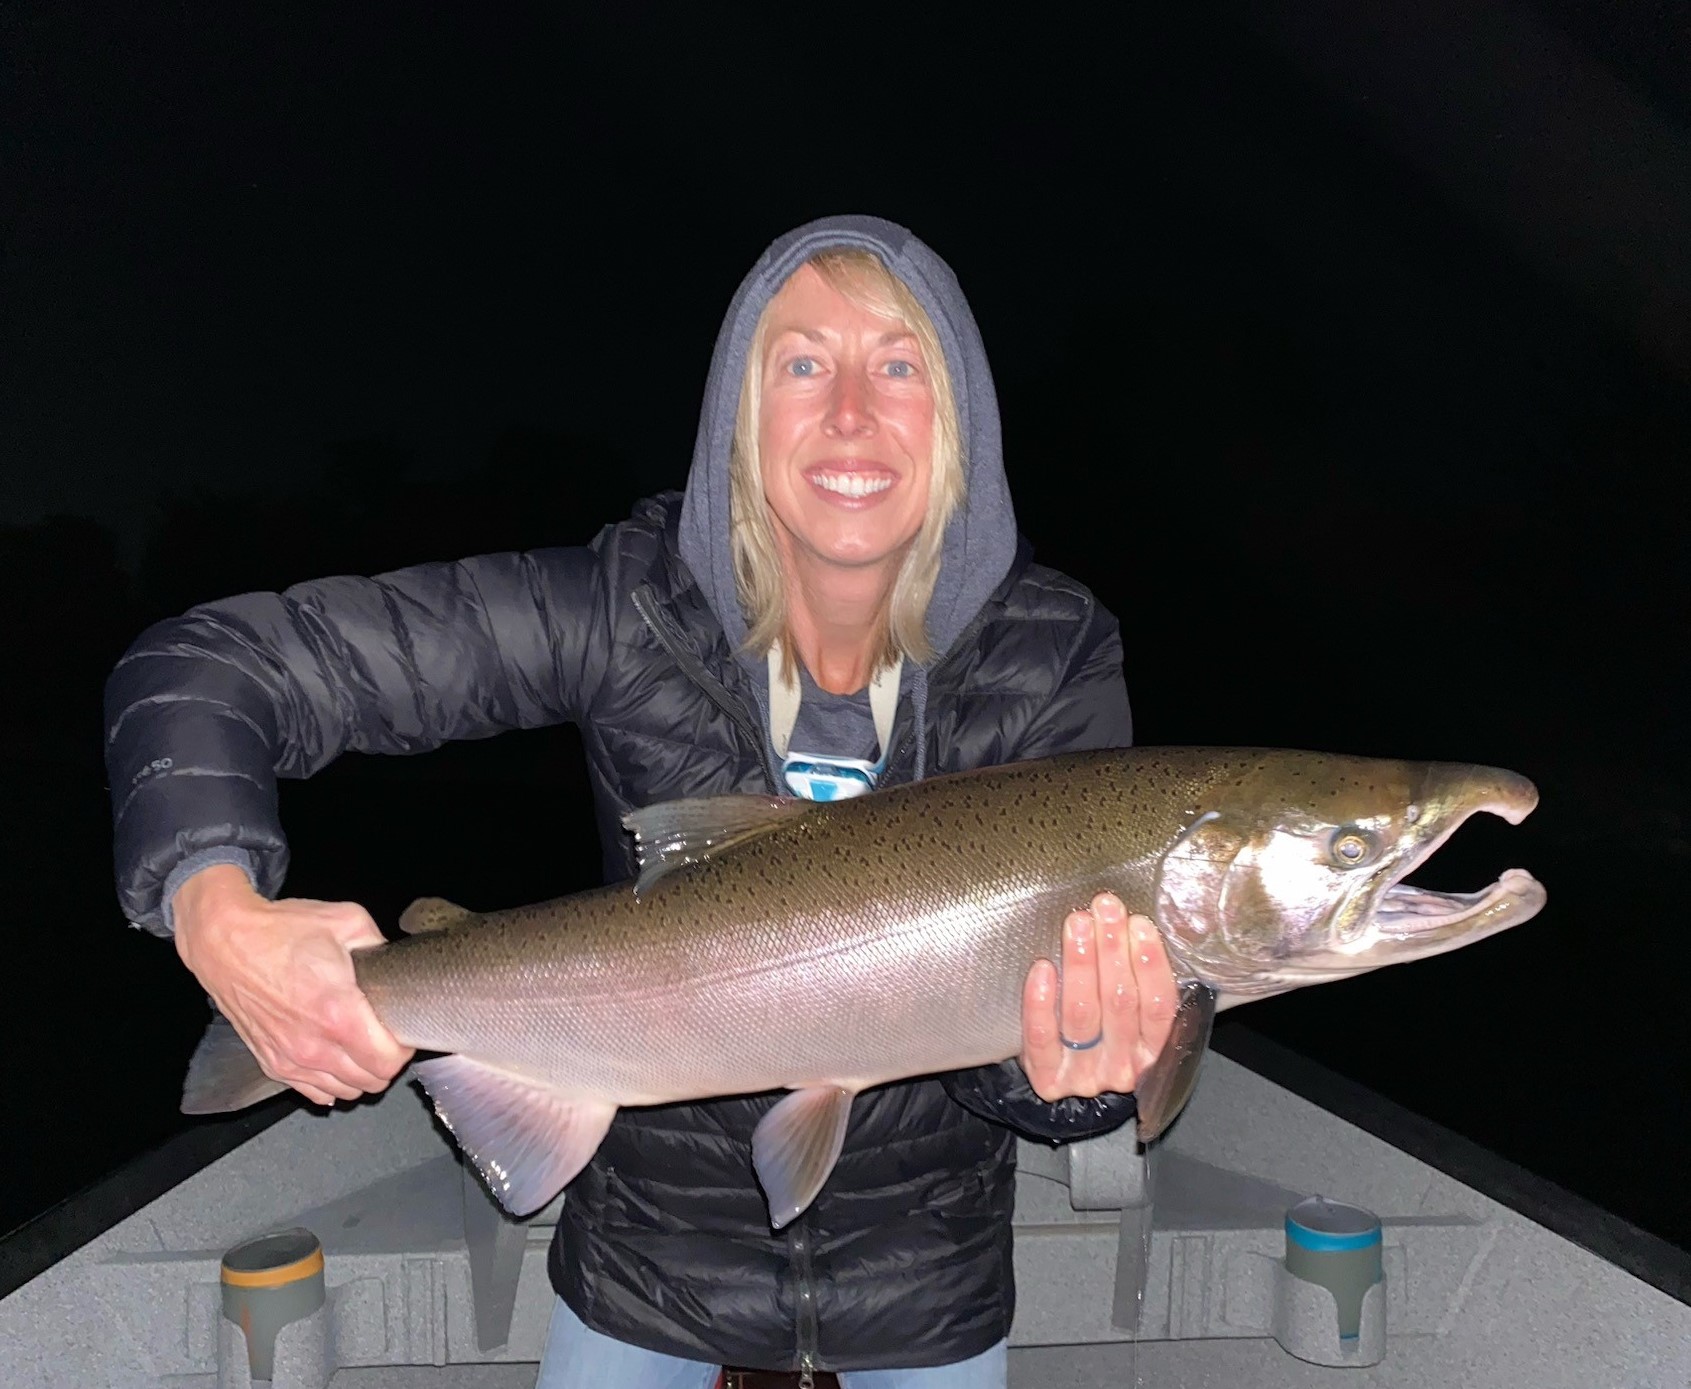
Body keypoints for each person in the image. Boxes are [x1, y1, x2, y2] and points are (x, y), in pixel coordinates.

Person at [105, 214, 1179, 1387]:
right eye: (803, 363)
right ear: (738, 419)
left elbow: (1027, 1078)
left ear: (959, 419)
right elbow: (206, 666)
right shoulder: (623, 605)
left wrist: (1069, 1078)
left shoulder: (1054, 653)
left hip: (923, 1281)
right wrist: (212, 906)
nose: (852, 413)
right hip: (643, 1263)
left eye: (901, 364)